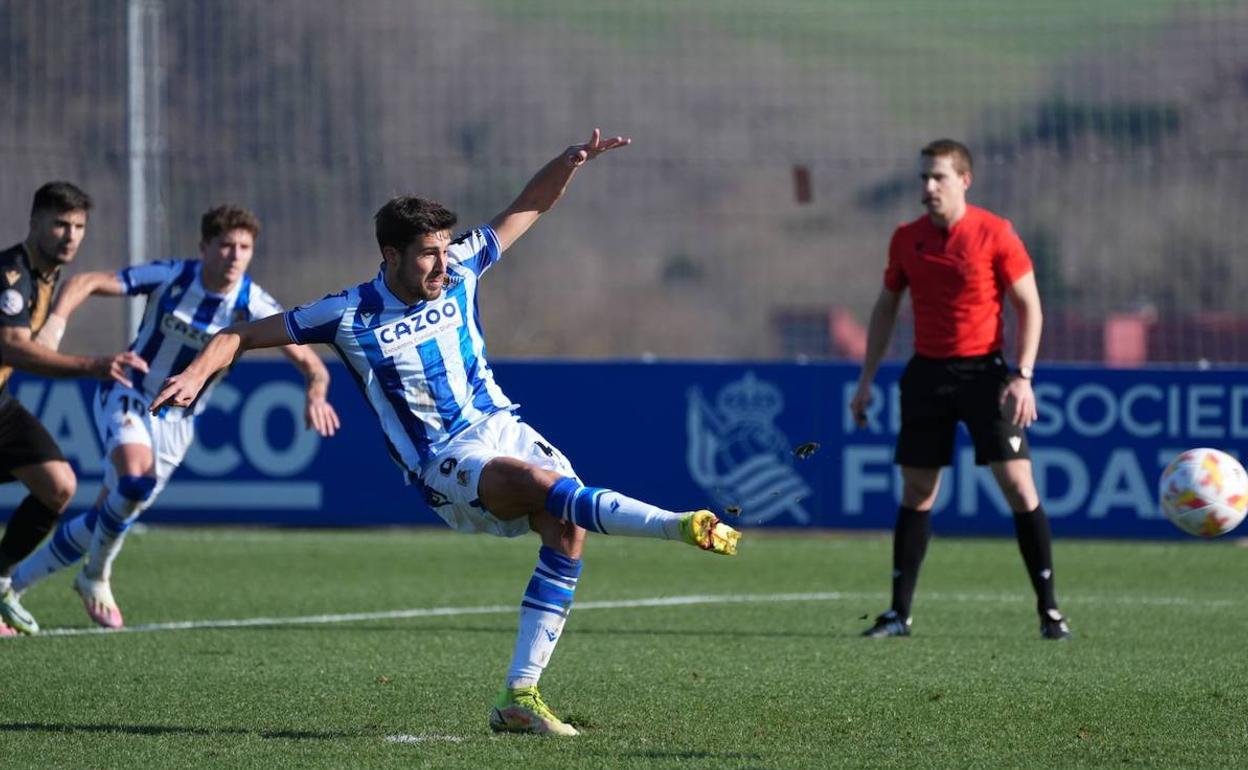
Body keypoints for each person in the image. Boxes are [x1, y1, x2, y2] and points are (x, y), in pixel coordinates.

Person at [151, 130, 741, 736]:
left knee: (565, 530)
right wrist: (196, 372)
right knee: (542, 484)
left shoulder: (461, 265)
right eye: (427, 253)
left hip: (502, 425)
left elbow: (527, 208)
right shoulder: (347, 314)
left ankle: (520, 696)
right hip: (442, 461)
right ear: (390, 256)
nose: (441, 262)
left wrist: (568, 163)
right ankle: (676, 524)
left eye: (442, 248)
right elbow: (242, 334)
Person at [5, 204, 340, 634]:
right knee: (134, 479)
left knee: (110, 513)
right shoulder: (173, 276)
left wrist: (315, 393)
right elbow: (86, 281)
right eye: (225, 245)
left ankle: (33, 584)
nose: (235, 255)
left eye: (244, 247)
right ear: (204, 248)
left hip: (178, 422)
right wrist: (55, 324)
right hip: (128, 390)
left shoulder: (252, 303)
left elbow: (313, 365)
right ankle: (88, 577)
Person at [850, 139, 1071, 641]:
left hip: (986, 376)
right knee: (918, 491)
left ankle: (1050, 612)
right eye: (923, 178)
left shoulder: (996, 233)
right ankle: (898, 615)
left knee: (1017, 485)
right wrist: (865, 381)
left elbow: (1030, 307)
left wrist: (1023, 375)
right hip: (926, 374)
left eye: (938, 178)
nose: (928, 187)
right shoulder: (907, 238)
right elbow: (885, 308)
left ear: (964, 181)